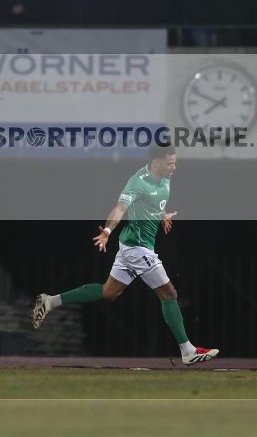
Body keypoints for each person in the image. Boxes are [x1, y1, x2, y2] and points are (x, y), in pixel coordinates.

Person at [31, 142, 220, 366]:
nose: (174, 168)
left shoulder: (165, 178)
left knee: (109, 292)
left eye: (175, 163)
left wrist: (162, 215)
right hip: (136, 248)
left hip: (133, 246)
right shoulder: (137, 182)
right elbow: (120, 208)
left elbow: (151, 203)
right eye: (170, 163)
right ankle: (188, 351)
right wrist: (108, 230)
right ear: (156, 162)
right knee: (169, 293)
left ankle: (50, 301)